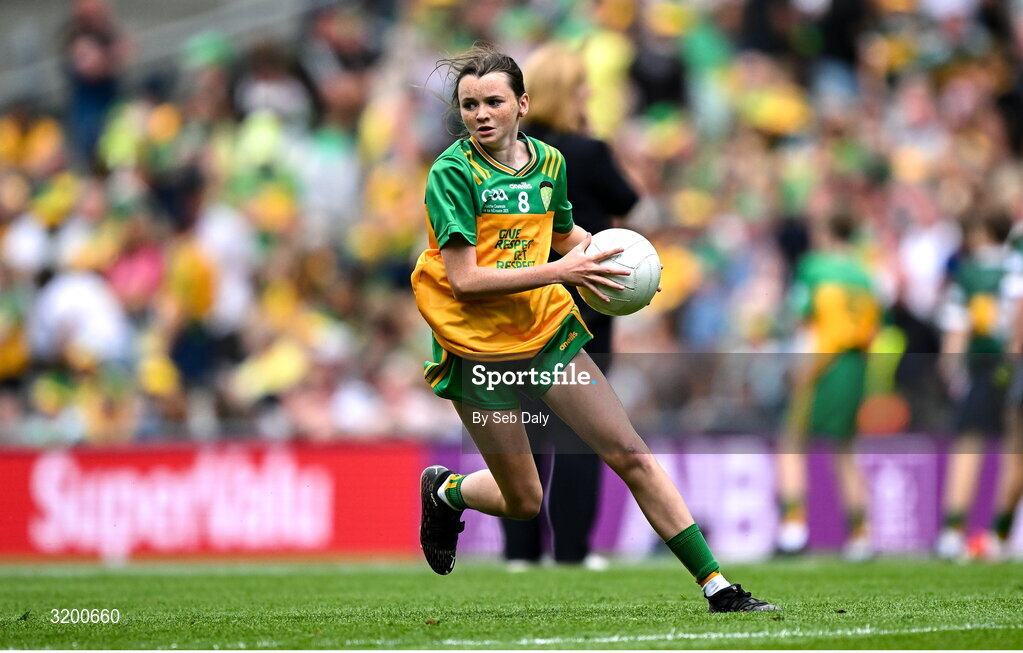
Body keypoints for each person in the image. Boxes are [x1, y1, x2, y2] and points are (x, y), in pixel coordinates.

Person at [410, 43, 778, 612]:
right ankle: (447, 490)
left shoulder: (550, 165)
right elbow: (464, 280)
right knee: (526, 500)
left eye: (492, 102)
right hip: (476, 346)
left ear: (522, 104)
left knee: (629, 451)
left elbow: (566, 237)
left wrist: (623, 268)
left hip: (545, 332)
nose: (480, 114)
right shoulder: (451, 173)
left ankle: (719, 587)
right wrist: (564, 270)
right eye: (469, 104)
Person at [496, 43, 639, 571]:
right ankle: (573, 552)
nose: (590, 94)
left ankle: (519, 552)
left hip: (521, 304)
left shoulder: (511, 153)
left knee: (525, 426)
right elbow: (627, 202)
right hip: (584, 307)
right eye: (582, 85)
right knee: (583, 432)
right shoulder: (588, 151)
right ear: (565, 93)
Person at [775, 212, 880, 561]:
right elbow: (873, 327)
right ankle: (862, 535)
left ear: (824, 230)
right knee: (847, 451)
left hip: (824, 360)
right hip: (856, 363)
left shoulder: (814, 267)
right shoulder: (864, 273)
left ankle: (793, 528)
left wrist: (802, 368)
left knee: (791, 442)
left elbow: (805, 319)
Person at [935, 211, 1014, 559]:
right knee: (1016, 450)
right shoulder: (1015, 268)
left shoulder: (969, 275)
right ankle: (1001, 533)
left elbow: (957, 328)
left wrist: (950, 367)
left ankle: (953, 530)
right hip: (1015, 366)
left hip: (985, 366)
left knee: (968, 446)